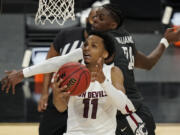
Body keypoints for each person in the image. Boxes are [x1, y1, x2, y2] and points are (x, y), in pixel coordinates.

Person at [1, 3, 180, 135]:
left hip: (125, 107)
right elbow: (148, 63)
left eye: (100, 17)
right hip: (106, 106)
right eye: (94, 16)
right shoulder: (120, 39)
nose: (94, 19)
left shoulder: (105, 45)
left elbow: (59, 61)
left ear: (112, 25)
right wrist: (165, 41)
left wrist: (22, 73)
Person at [52, 32, 137, 135]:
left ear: (105, 53)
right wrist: (57, 95)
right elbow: (61, 108)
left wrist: (104, 82)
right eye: (86, 44)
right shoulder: (72, 73)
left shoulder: (113, 72)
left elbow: (124, 107)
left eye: (94, 46)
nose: (87, 48)